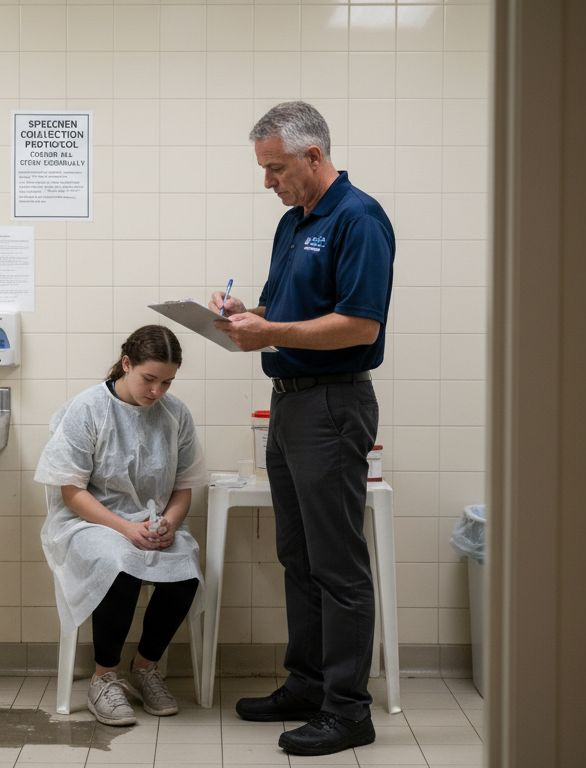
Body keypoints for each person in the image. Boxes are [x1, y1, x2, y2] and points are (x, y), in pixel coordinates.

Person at [209, 101, 394, 756]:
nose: (269, 182)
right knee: (299, 555)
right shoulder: (293, 225)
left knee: (338, 565)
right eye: (264, 170)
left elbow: (361, 324)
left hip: (332, 404)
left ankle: (348, 710)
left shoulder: (359, 218)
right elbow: (281, 312)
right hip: (288, 402)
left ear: (314, 157)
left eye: (276, 168)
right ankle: (308, 683)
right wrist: (243, 315)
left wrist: (271, 331)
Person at [34, 325, 208, 727]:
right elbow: (72, 493)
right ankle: (104, 677)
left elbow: (184, 489)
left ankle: (145, 667)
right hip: (88, 521)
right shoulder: (88, 409)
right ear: (126, 364)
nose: (157, 392)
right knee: (119, 564)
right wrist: (125, 530)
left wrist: (168, 523)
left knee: (185, 568)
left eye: (167, 382)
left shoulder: (175, 414)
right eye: (149, 379)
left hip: (149, 523)